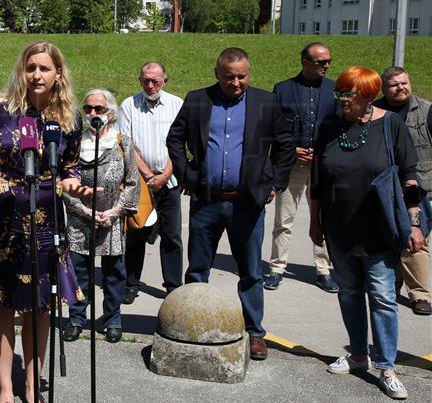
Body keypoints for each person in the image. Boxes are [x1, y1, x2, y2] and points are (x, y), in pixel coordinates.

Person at [0, 41, 89, 403]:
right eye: (31, 67)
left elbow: (71, 165)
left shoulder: (70, 117)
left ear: (58, 73)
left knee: (39, 304)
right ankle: (4, 390)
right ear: (23, 70)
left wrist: (73, 182)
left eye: (45, 68)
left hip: (48, 226)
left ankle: (32, 387)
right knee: (2, 303)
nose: (36, 74)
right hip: (3, 223)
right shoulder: (2, 109)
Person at [166, 47, 295, 361]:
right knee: (197, 269)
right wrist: (187, 174)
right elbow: (175, 138)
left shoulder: (266, 102)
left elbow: (285, 146)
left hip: (247, 203)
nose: (236, 83)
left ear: (248, 73)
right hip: (207, 201)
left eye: (242, 76)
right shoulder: (197, 99)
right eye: (229, 77)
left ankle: (254, 333)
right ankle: (191, 326)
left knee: (250, 271)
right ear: (217, 74)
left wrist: (274, 182)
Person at [309, 66, 423, 400]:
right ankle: (359, 355)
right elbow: (318, 180)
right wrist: (315, 222)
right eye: (340, 95)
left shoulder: (391, 125)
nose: (342, 102)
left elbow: (410, 177)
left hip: (379, 232)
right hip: (340, 230)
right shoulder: (331, 125)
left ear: (368, 98)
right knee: (349, 294)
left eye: (349, 97)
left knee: (383, 298)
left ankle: (387, 367)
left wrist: (414, 223)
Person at [63, 88, 139, 343]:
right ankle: (76, 319)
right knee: (79, 273)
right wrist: (84, 211)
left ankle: (113, 320)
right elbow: (63, 183)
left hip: (112, 219)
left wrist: (115, 212)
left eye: (99, 109)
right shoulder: (73, 144)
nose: (93, 113)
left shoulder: (122, 143)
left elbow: (131, 183)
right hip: (79, 219)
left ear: (110, 113)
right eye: (88, 109)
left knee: (114, 273)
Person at [265, 42, 338, 293]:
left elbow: (341, 127)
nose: (326, 66)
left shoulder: (335, 90)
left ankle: (324, 269)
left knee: (324, 218)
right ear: (305, 62)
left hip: (323, 166)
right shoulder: (283, 90)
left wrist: (323, 150)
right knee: (284, 219)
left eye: (328, 61)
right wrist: (291, 149)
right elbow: (273, 127)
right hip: (291, 164)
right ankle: (277, 268)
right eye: (321, 62)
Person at [118, 62, 184, 305]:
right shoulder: (128, 105)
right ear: (139, 80)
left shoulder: (177, 104)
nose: (150, 85)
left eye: (155, 81)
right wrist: (148, 175)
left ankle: (173, 287)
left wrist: (165, 174)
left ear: (165, 80)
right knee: (136, 234)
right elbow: (126, 144)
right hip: (140, 182)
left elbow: (180, 144)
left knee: (172, 236)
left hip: (170, 180)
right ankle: (131, 284)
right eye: (146, 80)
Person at [374, 66, 432, 316]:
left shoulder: (427, 110)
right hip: (385, 187)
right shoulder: (374, 111)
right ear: (384, 89)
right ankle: (391, 285)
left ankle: (420, 294)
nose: (402, 88)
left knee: (416, 239)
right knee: (388, 239)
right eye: (395, 85)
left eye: (405, 83)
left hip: (420, 188)